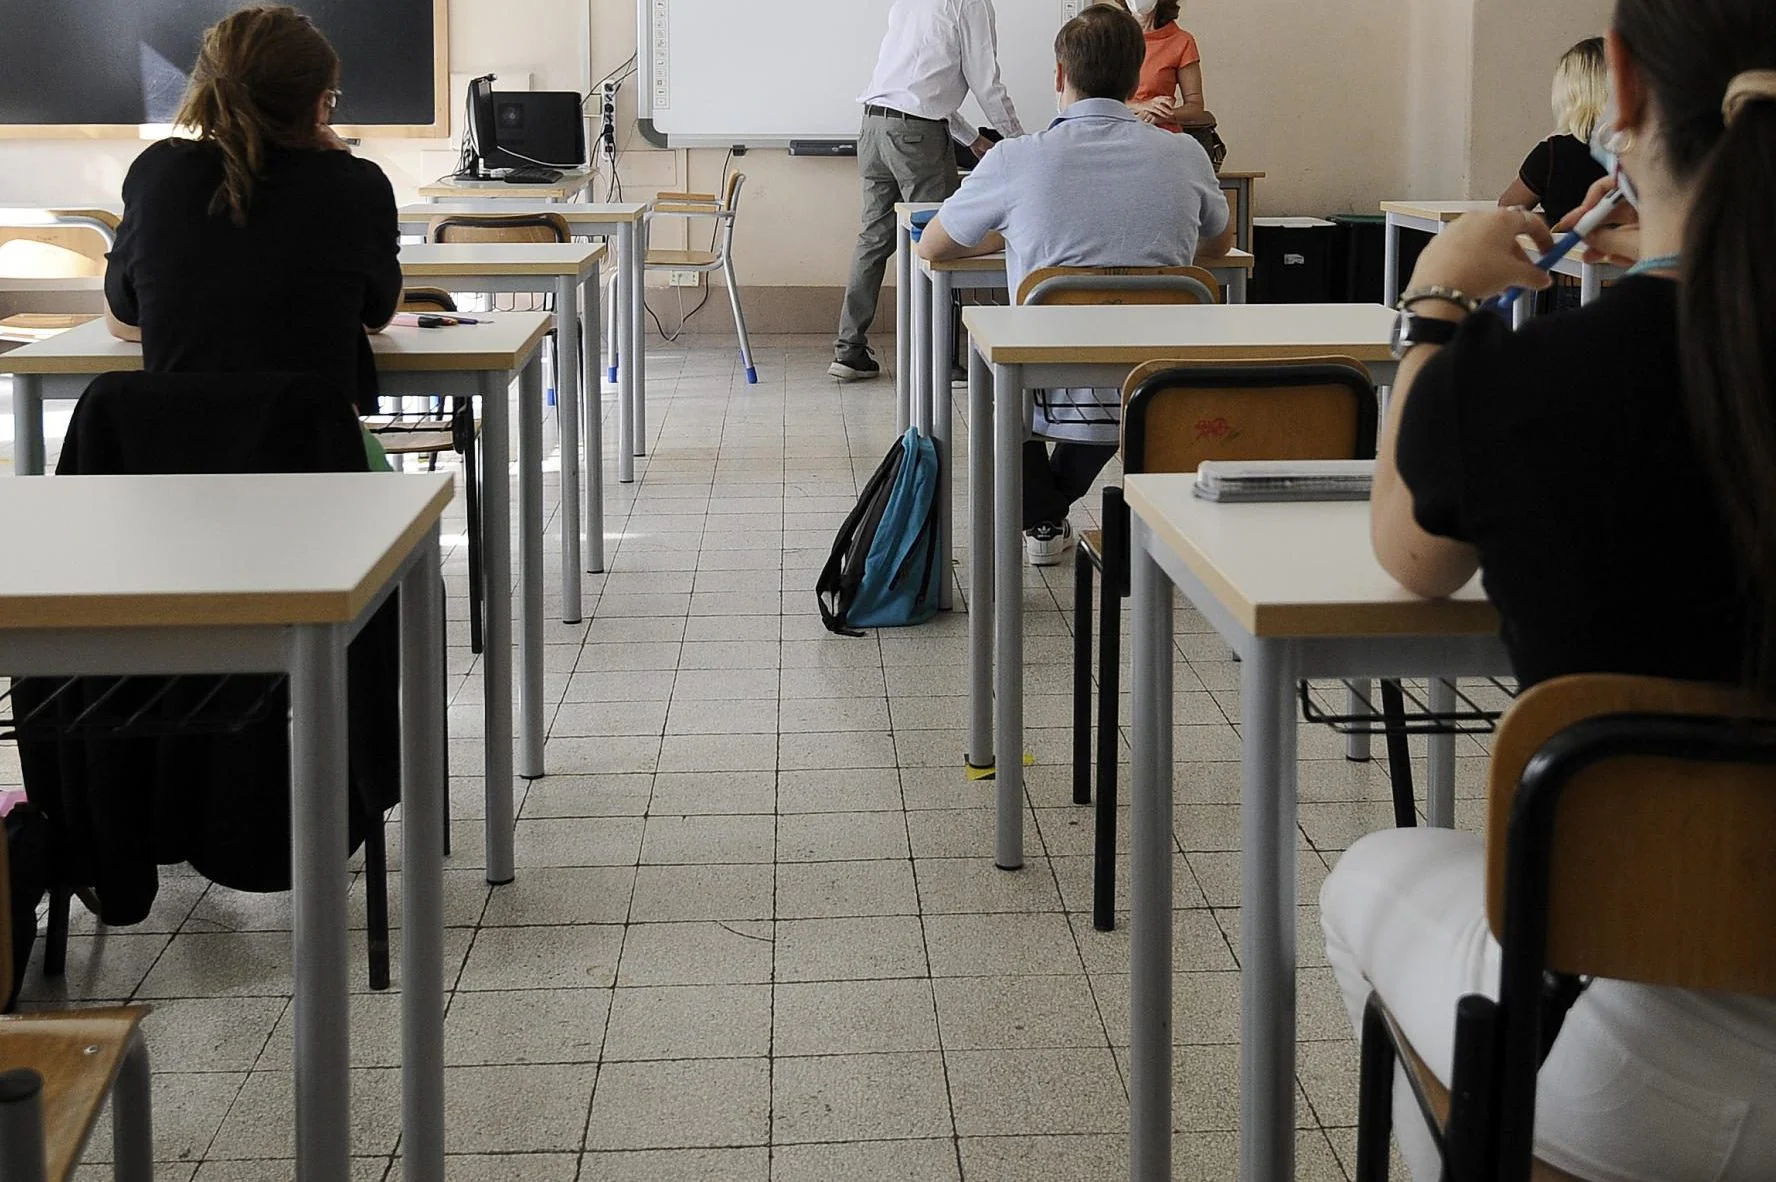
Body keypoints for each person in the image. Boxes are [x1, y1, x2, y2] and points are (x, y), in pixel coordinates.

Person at [1325, 0, 1776, 1176]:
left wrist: (1432, 306)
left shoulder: (1536, 386)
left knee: (1368, 878)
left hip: (1645, 1057)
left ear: (1618, 90)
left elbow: (1408, 555)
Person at [916, 3, 1232, 565]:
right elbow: (1217, 247)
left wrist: (1008, 237)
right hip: (1161, 385)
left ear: (1059, 76)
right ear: (1138, 79)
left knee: (998, 368)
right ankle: (1053, 511)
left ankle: (1037, 512)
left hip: (1048, 382)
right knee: (1111, 386)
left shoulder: (1017, 158)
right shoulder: (1185, 155)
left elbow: (933, 247)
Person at [105, 4, 401, 416]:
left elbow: (122, 319)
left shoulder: (156, 172)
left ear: (206, 89)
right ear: (319, 105)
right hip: (318, 461)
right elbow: (377, 316)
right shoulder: (357, 184)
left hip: (178, 461)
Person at [830, 0, 1025, 383]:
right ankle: (939, 357)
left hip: (873, 127)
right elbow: (985, 82)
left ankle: (849, 351)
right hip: (917, 137)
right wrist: (1023, 143)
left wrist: (972, 140)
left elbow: (919, 86)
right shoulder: (971, 3)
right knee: (942, 238)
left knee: (874, 239)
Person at [1498, 37, 1610, 227]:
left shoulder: (1553, 152)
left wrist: (1549, 221)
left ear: (1568, 92)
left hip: (1567, 254)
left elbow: (1507, 208)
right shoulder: (1645, 151)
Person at [1107, 0, 1206, 132]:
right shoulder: (1110, 37)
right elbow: (1094, 100)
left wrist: (1160, 115)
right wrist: (1139, 106)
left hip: (1161, 136)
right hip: (1115, 133)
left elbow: (1195, 108)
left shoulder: (1182, 41)